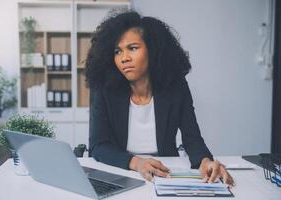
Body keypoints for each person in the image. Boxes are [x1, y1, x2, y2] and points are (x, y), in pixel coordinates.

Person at [85, 10, 234, 186]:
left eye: (132, 48)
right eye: (118, 51)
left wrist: (205, 161)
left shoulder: (176, 87)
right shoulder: (104, 89)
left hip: (165, 171)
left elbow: (192, 138)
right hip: (123, 171)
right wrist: (137, 163)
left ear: (153, 50)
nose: (124, 58)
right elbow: (98, 145)